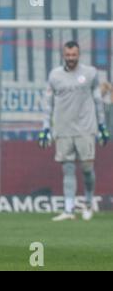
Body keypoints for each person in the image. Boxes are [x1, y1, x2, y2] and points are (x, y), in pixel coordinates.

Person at [38, 41, 109, 221]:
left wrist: (102, 126)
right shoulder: (55, 75)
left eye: (73, 55)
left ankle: (87, 203)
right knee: (68, 169)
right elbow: (48, 104)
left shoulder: (90, 73)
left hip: (86, 129)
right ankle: (69, 210)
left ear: (79, 55)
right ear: (63, 55)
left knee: (87, 169)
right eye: (68, 55)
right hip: (63, 130)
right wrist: (45, 127)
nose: (71, 58)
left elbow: (98, 100)